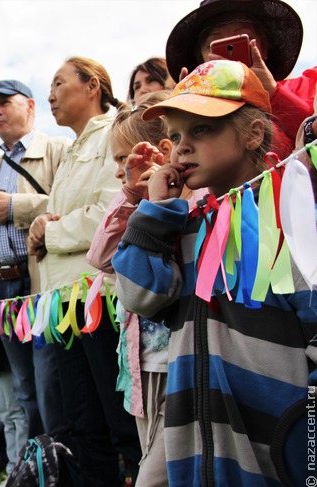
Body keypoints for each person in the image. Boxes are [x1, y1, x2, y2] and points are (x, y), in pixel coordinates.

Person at [112, 59, 317, 486]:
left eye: (201, 130)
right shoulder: (184, 223)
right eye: (175, 136)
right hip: (195, 448)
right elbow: (137, 296)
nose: (181, 147)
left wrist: (305, 433)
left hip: (275, 453)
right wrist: (154, 211)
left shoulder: (286, 218)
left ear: (253, 134)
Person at [87, 92, 209, 487]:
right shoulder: (133, 201)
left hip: (180, 358)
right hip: (140, 362)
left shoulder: (193, 196)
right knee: (154, 456)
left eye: (126, 157)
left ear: (164, 149)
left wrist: (160, 201)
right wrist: (132, 197)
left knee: (157, 475)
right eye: (119, 162)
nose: (124, 168)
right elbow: (101, 257)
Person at [29, 56, 141, 485]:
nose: (51, 95)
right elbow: (64, 217)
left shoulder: (116, 132)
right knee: (80, 422)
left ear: (93, 85)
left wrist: (50, 234)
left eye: (59, 83)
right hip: (65, 304)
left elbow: (111, 214)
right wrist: (43, 224)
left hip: (99, 299)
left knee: (119, 421)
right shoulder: (75, 148)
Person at [0, 79, 68, 467]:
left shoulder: (58, 149)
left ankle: (55, 466)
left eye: (4, 103)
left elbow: (69, 202)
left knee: (48, 385)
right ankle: (31, 466)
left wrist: (16, 207)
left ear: (30, 105)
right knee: (24, 387)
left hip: (38, 283)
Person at [164, 0, 316, 159]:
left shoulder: (310, 83)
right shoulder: (196, 111)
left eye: (243, 38)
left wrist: (272, 93)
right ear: (202, 60)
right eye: (215, 45)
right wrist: (189, 114)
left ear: (264, 48)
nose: (230, 55)